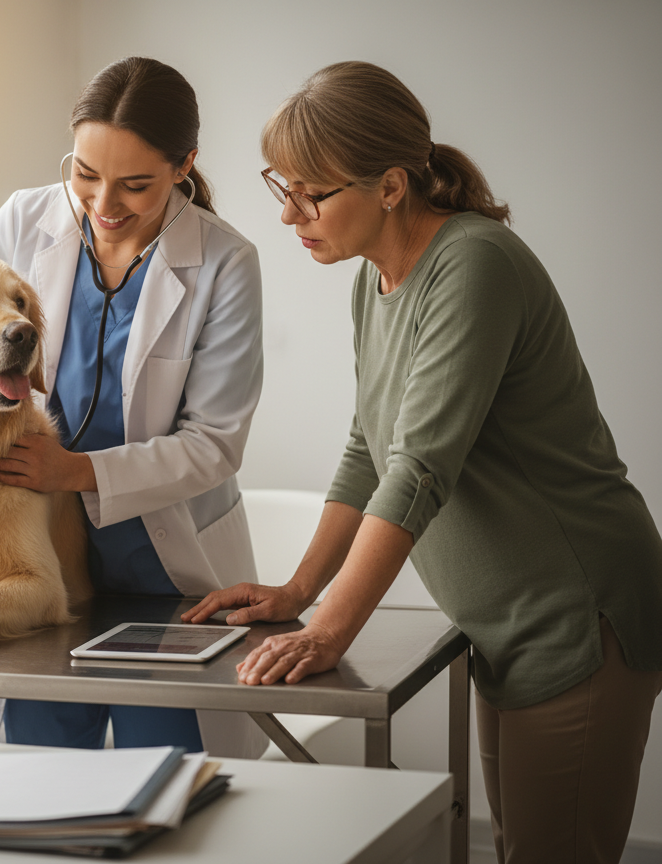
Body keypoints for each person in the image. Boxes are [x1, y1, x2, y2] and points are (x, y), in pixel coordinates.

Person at [184, 60, 662, 862]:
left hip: (577, 615)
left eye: (313, 193)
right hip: (506, 621)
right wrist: (298, 591)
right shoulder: (375, 281)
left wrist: (331, 630)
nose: (290, 214)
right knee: (517, 847)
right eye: (283, 188)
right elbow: (370, 445)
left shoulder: (473, 266)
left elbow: (420, 467)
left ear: (391, 186)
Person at [0, 57, 266, 758]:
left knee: (164, 782)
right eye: (85, 173)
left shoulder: (225, 262)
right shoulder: (26, 217)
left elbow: (215, 442)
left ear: (184, 166)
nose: (103, 203)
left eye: (134, 184)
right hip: (27, 564)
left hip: (160, 574)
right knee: (40, 782)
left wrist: (73, 471)